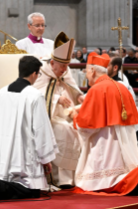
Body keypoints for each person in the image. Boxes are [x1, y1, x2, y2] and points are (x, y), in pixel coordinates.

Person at [70, 54, 138, 197]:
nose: (86, 75)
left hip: (106, 145)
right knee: (123, 172)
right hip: (126, 145)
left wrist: (75, 117)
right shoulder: (121, 86)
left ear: (92, 71)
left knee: (99, 182)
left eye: (86, 71)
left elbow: (87, 127)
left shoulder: (97, 90)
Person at [0, 56, 58, 202]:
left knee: (6, 180)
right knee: (33, 191)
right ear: (35, 74)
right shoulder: (35, 96)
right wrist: (46, 159)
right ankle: (1, 188)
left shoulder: (1, 93)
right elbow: (41, 130)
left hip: (3, 159)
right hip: (24, 159)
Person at [33, 31, 84, 188]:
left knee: (78, 130)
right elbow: (35, 93)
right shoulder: (41, 70)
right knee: (65, 130)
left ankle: (70, 178)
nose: (64, 70)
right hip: (48, 116)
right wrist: (56, 99)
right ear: (53, 62)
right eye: (62, 66)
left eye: (67, 66)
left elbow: (72, 87)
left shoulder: (64, 70)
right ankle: (58, 178)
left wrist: (80, 96)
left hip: (64, 113)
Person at [107, 55, 138, 142]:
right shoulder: (107, 80)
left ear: (115, 68)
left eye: (107, 65)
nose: (104, 68)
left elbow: (130, 101)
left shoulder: (121, 84)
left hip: (128, 121)